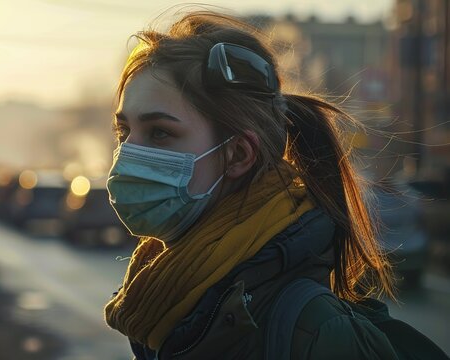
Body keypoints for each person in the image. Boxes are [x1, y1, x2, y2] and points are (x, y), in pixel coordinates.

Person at [103, 11, 446, 360]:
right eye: (124, 132)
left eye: (160, 133)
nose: (128, 154)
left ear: (237, 155)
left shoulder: (317, 333)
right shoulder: (164, 293)